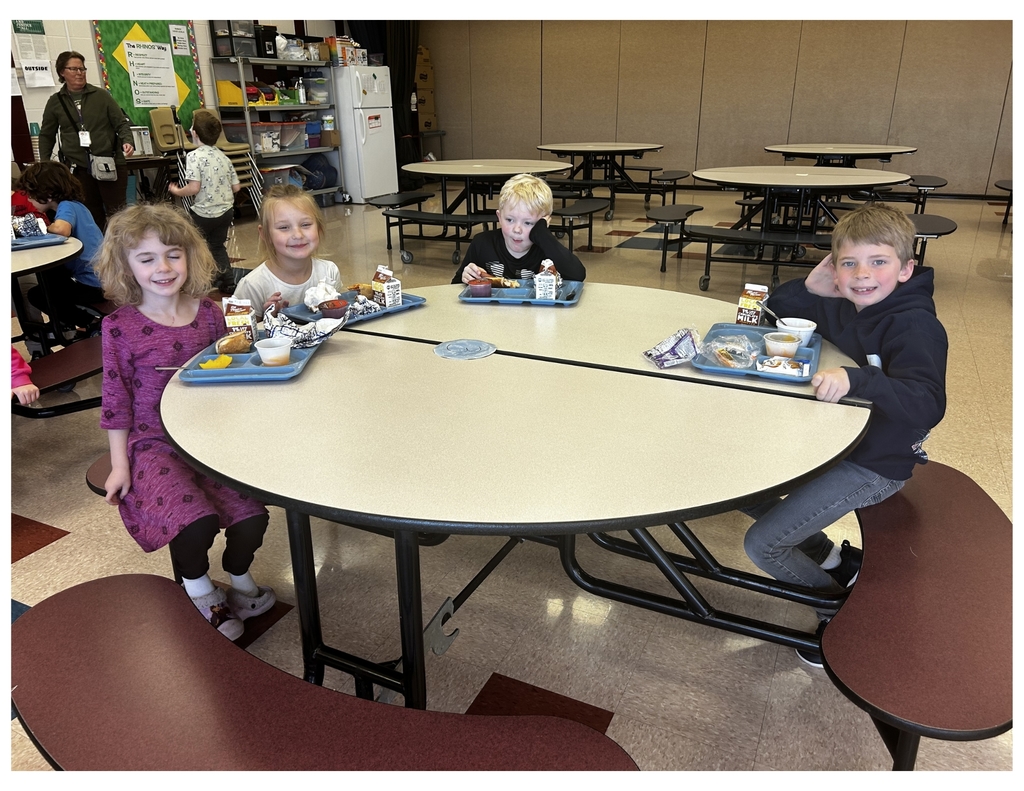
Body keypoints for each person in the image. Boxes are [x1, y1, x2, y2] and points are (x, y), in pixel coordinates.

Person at [743, 203, 947, 667]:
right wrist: (808, 287)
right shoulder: (841, 299)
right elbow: (768, 314)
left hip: (876, 464)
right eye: (848, 263)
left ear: (906, 269)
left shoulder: (914, 325)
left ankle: (832, 607)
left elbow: (928, 404)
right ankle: (835, 561)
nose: (861, 275)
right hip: (833, 443)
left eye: (878, 262)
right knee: (744, 484)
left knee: (761, 544)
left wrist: (858, 379)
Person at [93, 203, 275, 641]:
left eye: (174, 254)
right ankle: (198, 591)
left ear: (191, 255)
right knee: (194, 520)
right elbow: (116, 400)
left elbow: (230, 369)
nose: (163, 267)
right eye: (147, 257)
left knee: (252, 516)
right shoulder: (119, 326)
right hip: (153, 444)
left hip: (209, 438)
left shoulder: (209, 312)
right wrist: (120, 465)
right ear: (125, 266)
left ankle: (239, 579)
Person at [37, 50, 135, 231]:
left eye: (82, 69)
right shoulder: (55, 102)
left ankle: (123, 251)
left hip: (109, 163)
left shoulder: (101, 96)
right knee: (90, 214)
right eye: (74, 69)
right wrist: (44, 164)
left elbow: (121, 123)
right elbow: (46, 135)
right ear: (62, 72)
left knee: (118, 214)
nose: (79, 73)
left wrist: (127, 141)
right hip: (78, 169)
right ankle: (99, 253)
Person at [17, 161, 106, 337]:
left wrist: (40, 226)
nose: (29, 200)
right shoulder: (77, 205)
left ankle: (91, 323)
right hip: (102, 279)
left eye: (31, 195)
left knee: (39, 295)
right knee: (51, 280)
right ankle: (79, 322)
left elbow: (61, 230)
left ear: (48, 194)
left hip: (94, 284)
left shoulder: (66, 206)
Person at [452, 173, 586, 285]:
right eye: (509, 220)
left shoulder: (548, 250)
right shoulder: (482, 244)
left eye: (528, 223)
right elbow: (454, 288)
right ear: (499, 216)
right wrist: (466, 277)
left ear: (543, 224)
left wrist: (543, 235)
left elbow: (577, 275)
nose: (517, 229)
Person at [233, 184, 342, 318]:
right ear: (266, 234)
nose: (297, 235)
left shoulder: (329, 272)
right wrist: (267, 318)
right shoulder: (252, 286)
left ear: (319, 228)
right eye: (284, 227)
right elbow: (240, 334)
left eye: (306, 225)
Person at [168, 109, 241, 294]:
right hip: (226, 212)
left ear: (194, 132)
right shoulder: (223, 156)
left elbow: (194, 187)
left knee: (192, 245)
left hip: (203, 213)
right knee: (217, 245)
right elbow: (236, 187)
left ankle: (198, 281)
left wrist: (177, 191)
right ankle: (228, 281)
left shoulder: (194, 156)